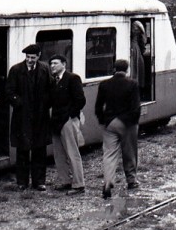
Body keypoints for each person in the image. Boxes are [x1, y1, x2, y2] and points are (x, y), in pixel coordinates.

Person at [5, 44, 52, 191]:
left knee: (39, 149)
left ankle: (39, 181)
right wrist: (19, 103)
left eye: (33, 57)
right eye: (28, 57)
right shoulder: (16, 70)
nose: (30, 60)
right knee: (23, 150)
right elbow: (9, 91)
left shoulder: (45, 69)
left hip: (40, 116)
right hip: (22, 116)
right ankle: (22, 182)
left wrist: (44, 104)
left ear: (38, 56)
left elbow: (50, 89)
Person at [95, 59, 141, 200]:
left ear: (114, 69)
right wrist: (132, 122)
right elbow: (136, 108)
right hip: (127, 124)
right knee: (129, 152)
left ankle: (108, 182)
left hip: (110, 123)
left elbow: (98, 107)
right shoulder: (132, 84)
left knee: (109, 154)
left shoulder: (104, 84)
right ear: (127, 69)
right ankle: (131, 181)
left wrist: (104, 120)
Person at [48, 54, 86, 195]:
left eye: (55, 63)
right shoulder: (54, 81)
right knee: (59, 154)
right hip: (56, 120)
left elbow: (80, 100)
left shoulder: (72, 78)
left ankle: (78, 184)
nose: (52, 66)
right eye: (51, 63)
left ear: (64, 64)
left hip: (67, 120)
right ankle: (66, 181)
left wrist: (71, 115)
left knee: (72, 152)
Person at [130, 20, 147, 92]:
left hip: (133, 48)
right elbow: (144, 42)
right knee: (138, 67)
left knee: (134, 67)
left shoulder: (133, 26)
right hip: (136, 49)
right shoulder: (139, 25)